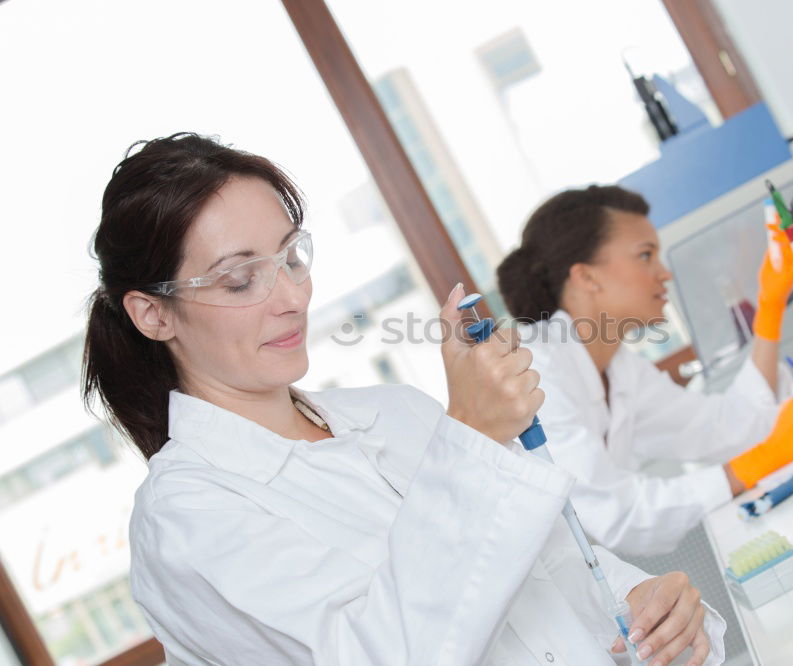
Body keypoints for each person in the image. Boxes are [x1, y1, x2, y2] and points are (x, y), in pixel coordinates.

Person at [82, 134, 727, 665]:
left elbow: (569, 569)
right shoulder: (186, 516)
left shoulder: (395, 413)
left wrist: (650, 600)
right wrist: (472, 439)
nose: (290, 297)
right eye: (240, 278)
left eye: (291, 258)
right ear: (153, 314)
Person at [496, 185, 793, 556]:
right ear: (586, 278)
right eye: (646, 255)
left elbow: (726, 430)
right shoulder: (532, 369)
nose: (664, 274)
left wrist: (769, 312)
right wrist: (755, 464)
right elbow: (619, 514)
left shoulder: (619, 367)